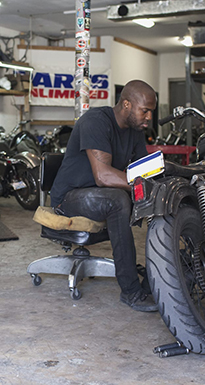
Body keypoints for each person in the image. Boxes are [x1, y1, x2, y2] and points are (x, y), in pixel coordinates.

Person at [50, 80, 158, 312]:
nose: (149, 117)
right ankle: (131, 292)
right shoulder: (96, 121)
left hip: (98, 195)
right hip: (69, 198)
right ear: (127, 104)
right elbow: (104, 177)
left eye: (151, 111)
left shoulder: (135, 130)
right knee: (118, 200)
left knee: (155, 198)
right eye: (145, 110)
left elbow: (142, 173)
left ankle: (155, 281)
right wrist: (146, 187)